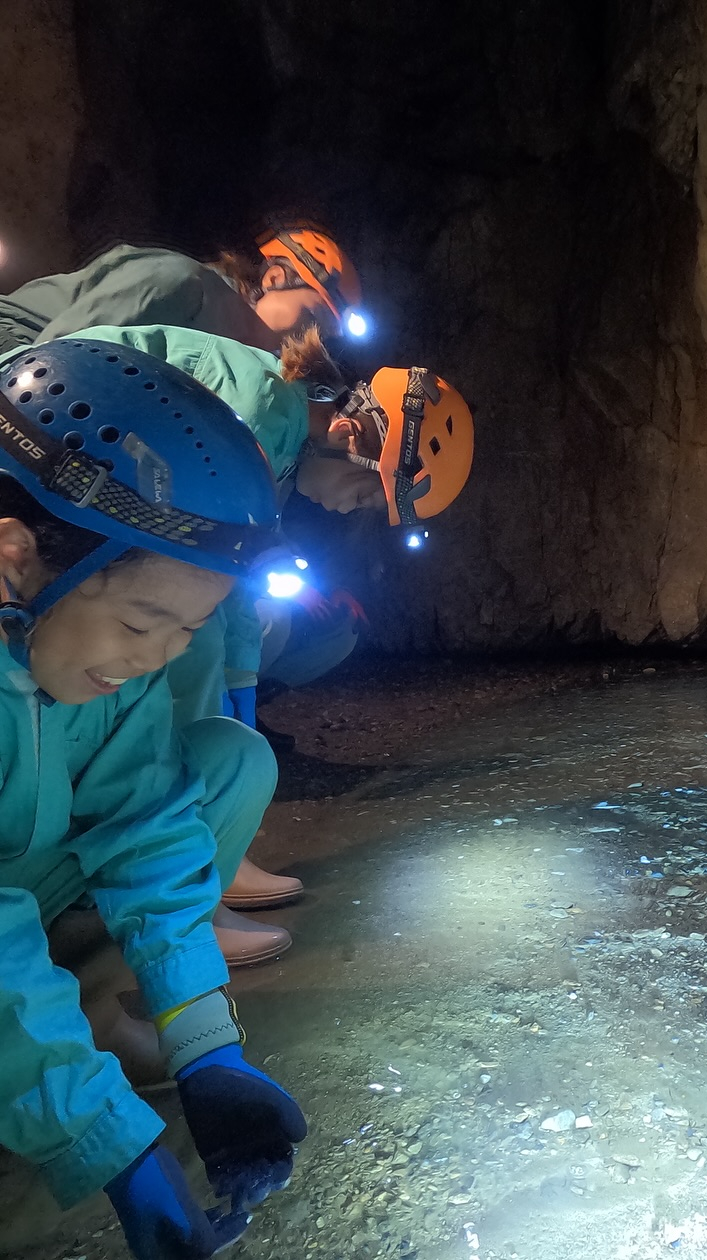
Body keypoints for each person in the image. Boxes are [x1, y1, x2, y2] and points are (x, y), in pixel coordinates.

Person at [0, 337, 306, 1259]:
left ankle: (78, 1026)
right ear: (15, 554)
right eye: (142, 622)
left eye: (191, 629)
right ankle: (46, 1070)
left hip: (24, 869)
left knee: (215, 763)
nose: (162, 656)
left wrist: (205, 1043)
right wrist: (109, 1143)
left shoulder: (95, 660)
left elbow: (148, 829)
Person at [43, 322, 474, 947]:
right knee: (191, 648)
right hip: (50, 494)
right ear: (350, 433)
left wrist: (242, 695)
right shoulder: (257, 416)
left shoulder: (278, 433)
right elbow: (202, 580)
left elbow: (237, 580)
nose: (355, 510)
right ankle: (179, 882)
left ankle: (199, 863)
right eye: (366, 493)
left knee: (212, 649)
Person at [0, 222, 365, 358]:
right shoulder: (182, 282)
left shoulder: (232, 360)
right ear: (275, 279)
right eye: (315, 315)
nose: (316, 339)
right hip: (15, 343)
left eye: (327, 336)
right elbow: (54, 358)